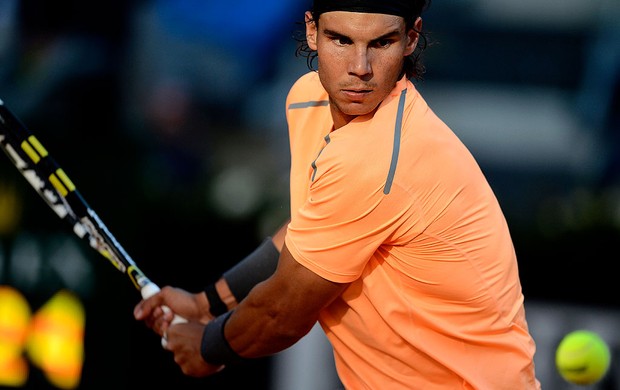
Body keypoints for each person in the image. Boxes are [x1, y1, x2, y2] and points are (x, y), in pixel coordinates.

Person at [134, 0, 542, 388]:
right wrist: (205, 305)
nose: (359, 69)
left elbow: (281, 314)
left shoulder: (379, 158)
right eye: (341, 40)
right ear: (312, 31)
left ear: (411, 40)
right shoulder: (306, 99)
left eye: (381, 43)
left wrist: (207, 347)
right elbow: (310, 228)